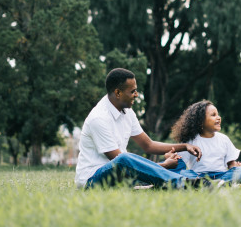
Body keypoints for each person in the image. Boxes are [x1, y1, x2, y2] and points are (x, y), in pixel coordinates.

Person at [75, 68, 205, 189]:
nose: (136, 95)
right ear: (118, 93)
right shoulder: (98, 118)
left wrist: (184, 146)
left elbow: (148, 145)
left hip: (123, 174)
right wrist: (164, 165)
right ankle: (181, 183)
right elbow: (122, 164)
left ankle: (201, 180)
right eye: (132, 91)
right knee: (124, 158)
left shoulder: (127, 112)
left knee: (178, 163)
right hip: (93, 180)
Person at [169, 100, 241, 184]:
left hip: (221, 175)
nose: (218, 117)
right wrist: (172, 157)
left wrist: (236, 167)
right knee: (184, 173)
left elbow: (231, 164)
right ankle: (213, 184)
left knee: (240, 170)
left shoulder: (224, 139)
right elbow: (180, 164)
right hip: (198, 176)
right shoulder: (190, 141)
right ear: (200, 121)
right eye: (213, 115)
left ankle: (218, 183)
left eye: (218, 114)